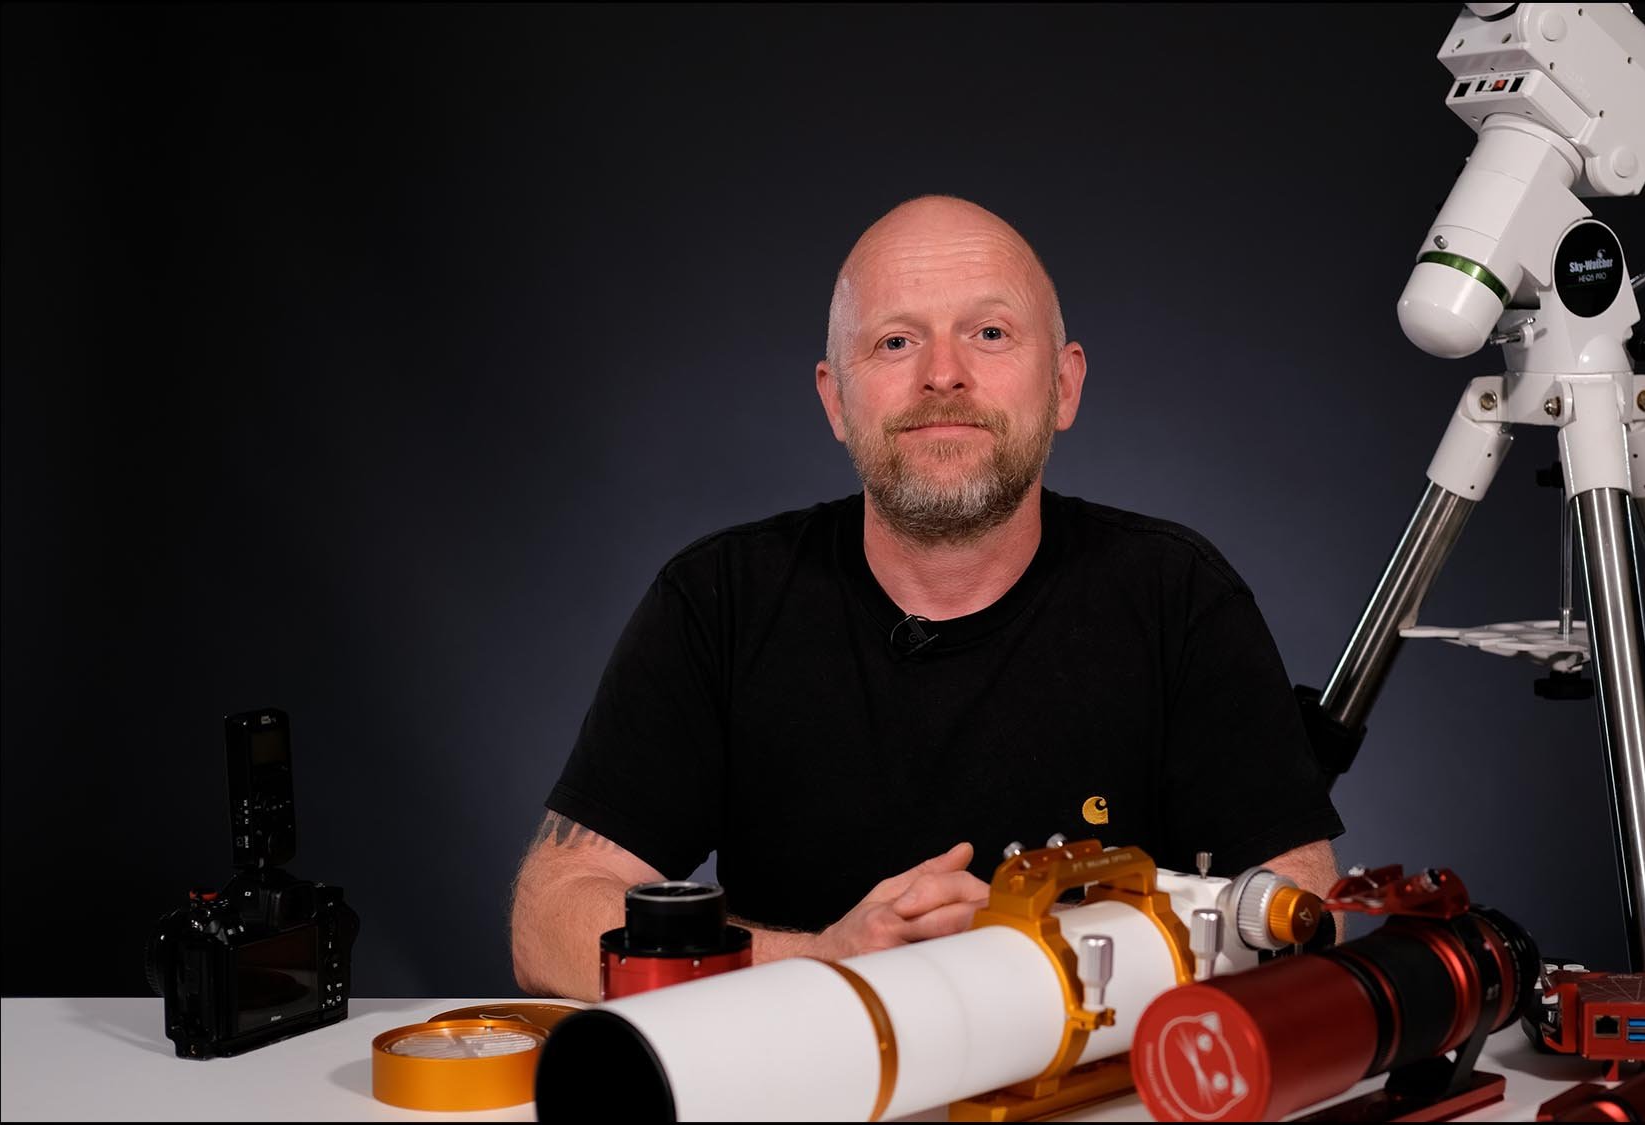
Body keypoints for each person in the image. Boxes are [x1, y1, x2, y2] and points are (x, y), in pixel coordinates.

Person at [509, 195, 1344, 1002]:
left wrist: (1033, 956)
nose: (944, 374)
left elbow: (1308, 917)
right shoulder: (719, 600)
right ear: (837, 399)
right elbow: (551, 918)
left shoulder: (1178, 597)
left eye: (989, 333)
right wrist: (821, 968)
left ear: (1065, 385)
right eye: (898, 341)